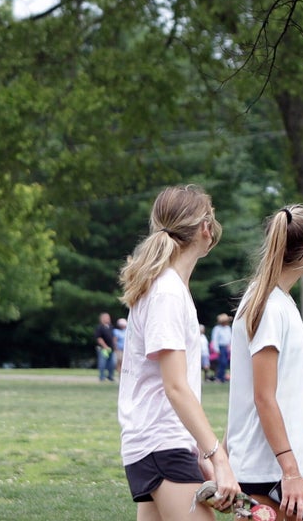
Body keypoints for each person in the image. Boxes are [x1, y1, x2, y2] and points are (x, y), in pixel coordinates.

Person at [117, 185, 241, 520]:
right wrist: (218, 458)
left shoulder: (166, 287)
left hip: (157, 445)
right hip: (162, 446)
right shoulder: (167, 292)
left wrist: (197, 451)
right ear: (205, 229)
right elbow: (175, 387)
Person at [228, 205, 303, 521]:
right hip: (269, 464)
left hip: (300, 451)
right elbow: (261, 396)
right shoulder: (269, 308)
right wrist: (289, 471)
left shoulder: (279, 302)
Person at [211, 313, 233, 383]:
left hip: (227, 347)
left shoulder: (228, 328)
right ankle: (219, 377)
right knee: (222, 362)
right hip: (221, 347)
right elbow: (215, 339)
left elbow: (230, 338)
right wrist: (216, 349)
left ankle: (222, 376)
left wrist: (230, 346)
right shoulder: (217, 329)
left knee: (225, 363)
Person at [97, 311, 117, 382]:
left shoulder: (111, 327)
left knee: (112, 363)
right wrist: (105, 346)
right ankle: (102, 377)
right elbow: (99, 338)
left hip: (111, 348)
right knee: (102, 363)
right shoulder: (100, 327)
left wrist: (114, 346)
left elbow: (114, 337)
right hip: (103, 349)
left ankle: (110, 376)